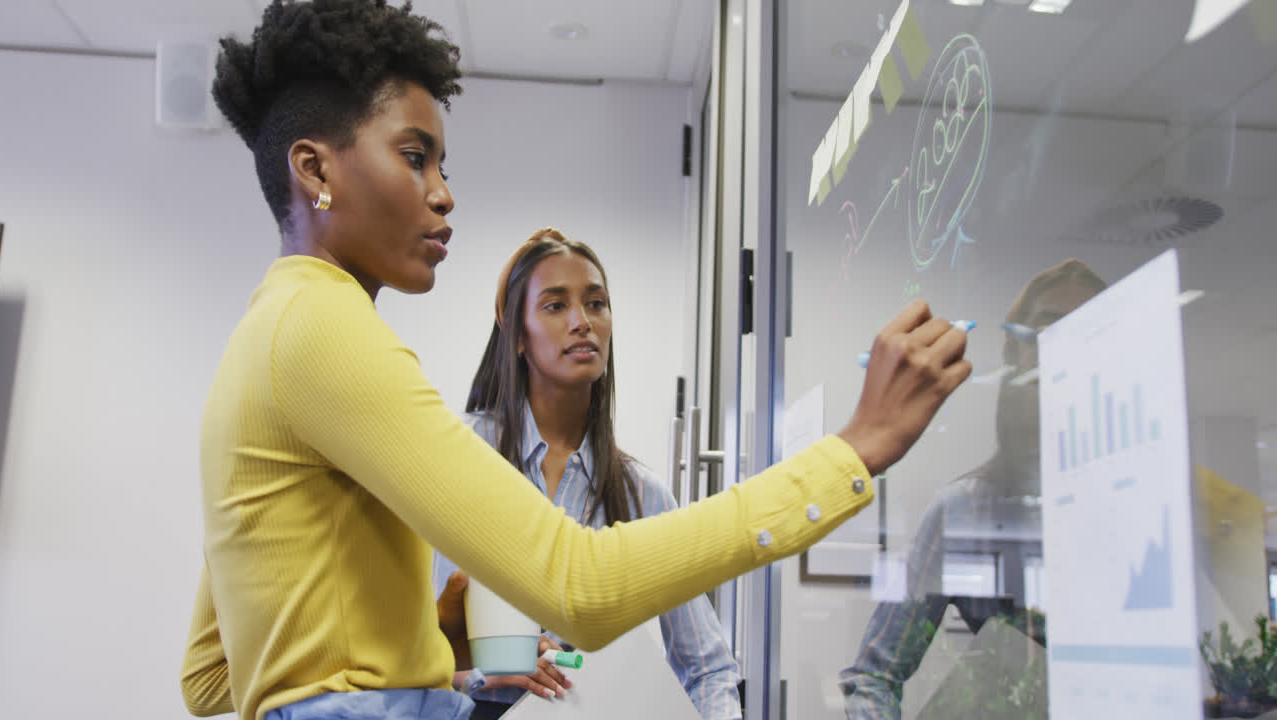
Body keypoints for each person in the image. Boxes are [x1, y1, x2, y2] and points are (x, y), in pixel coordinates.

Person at [177, 2, 972, 720]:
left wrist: (430, 641)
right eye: (416, 157)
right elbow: (579, 588)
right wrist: (852, 452)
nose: (443, 193)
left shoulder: (268, 335)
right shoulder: (327, 330)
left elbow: (211, 676)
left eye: (442, 165)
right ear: (315, 170)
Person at [433, 229, 743, 719]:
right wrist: (483, 674)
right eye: (555, 306)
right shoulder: (456, 456)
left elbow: (709, 668)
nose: (582, 322)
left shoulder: (641, 496)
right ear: (516, 335)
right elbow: (385, 659)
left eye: (596, 303)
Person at [840, 259, 1107, 719]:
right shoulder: (964, 510)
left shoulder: (1157, 498)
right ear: (1016, 351)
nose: (1066, 344)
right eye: (1049, 328)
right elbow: (873, 677)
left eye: (1091, 329)